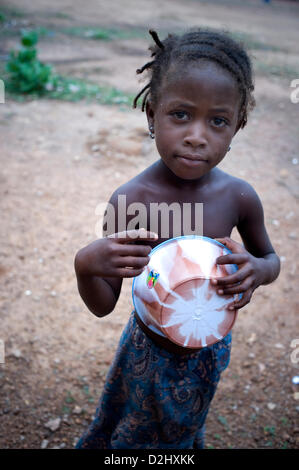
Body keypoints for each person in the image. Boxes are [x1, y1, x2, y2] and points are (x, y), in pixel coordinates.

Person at [74, 28, 280, 449]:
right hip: (143, 351)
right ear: (152, 115)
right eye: (181, 114)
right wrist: (85, 265)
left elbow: (270, 261)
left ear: (237, 126)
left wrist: (257, 271)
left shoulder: (239, 197)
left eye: (218, 121)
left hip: (208, 350)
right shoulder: (131, 200)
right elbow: (103, 305)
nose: (196, 135)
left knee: (183, 433)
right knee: (128, 430)